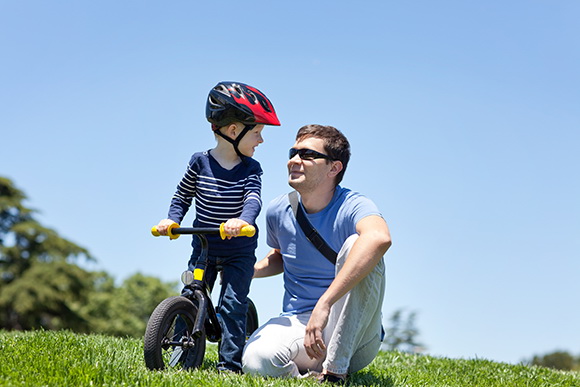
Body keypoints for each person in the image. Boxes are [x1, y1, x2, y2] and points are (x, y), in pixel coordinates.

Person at [242, 124, 391, 384]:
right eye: (293, 152)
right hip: (301, 326)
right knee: (256, 359)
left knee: (359, 243)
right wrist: (247, 271)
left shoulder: (353, 205)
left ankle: (336, 371)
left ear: (334, 168)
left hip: (355, 333)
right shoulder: (279, 209)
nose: (294, 160)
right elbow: (280, 255)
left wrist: (325, 304)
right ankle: (309, 379)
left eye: (307, 155)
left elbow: (380, 238)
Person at [155, 81, 280, 373]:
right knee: (191, 294)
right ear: (233, 131)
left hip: (238, 249)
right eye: (258, 133)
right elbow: (182, 195)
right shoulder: (199, 162)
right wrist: (172, 220)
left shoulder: (251, 169)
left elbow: (252, 199)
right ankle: (182, 354)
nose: (261, 141)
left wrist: (243, 221)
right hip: (204, 245)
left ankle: (229, 365)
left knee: (232, 306)